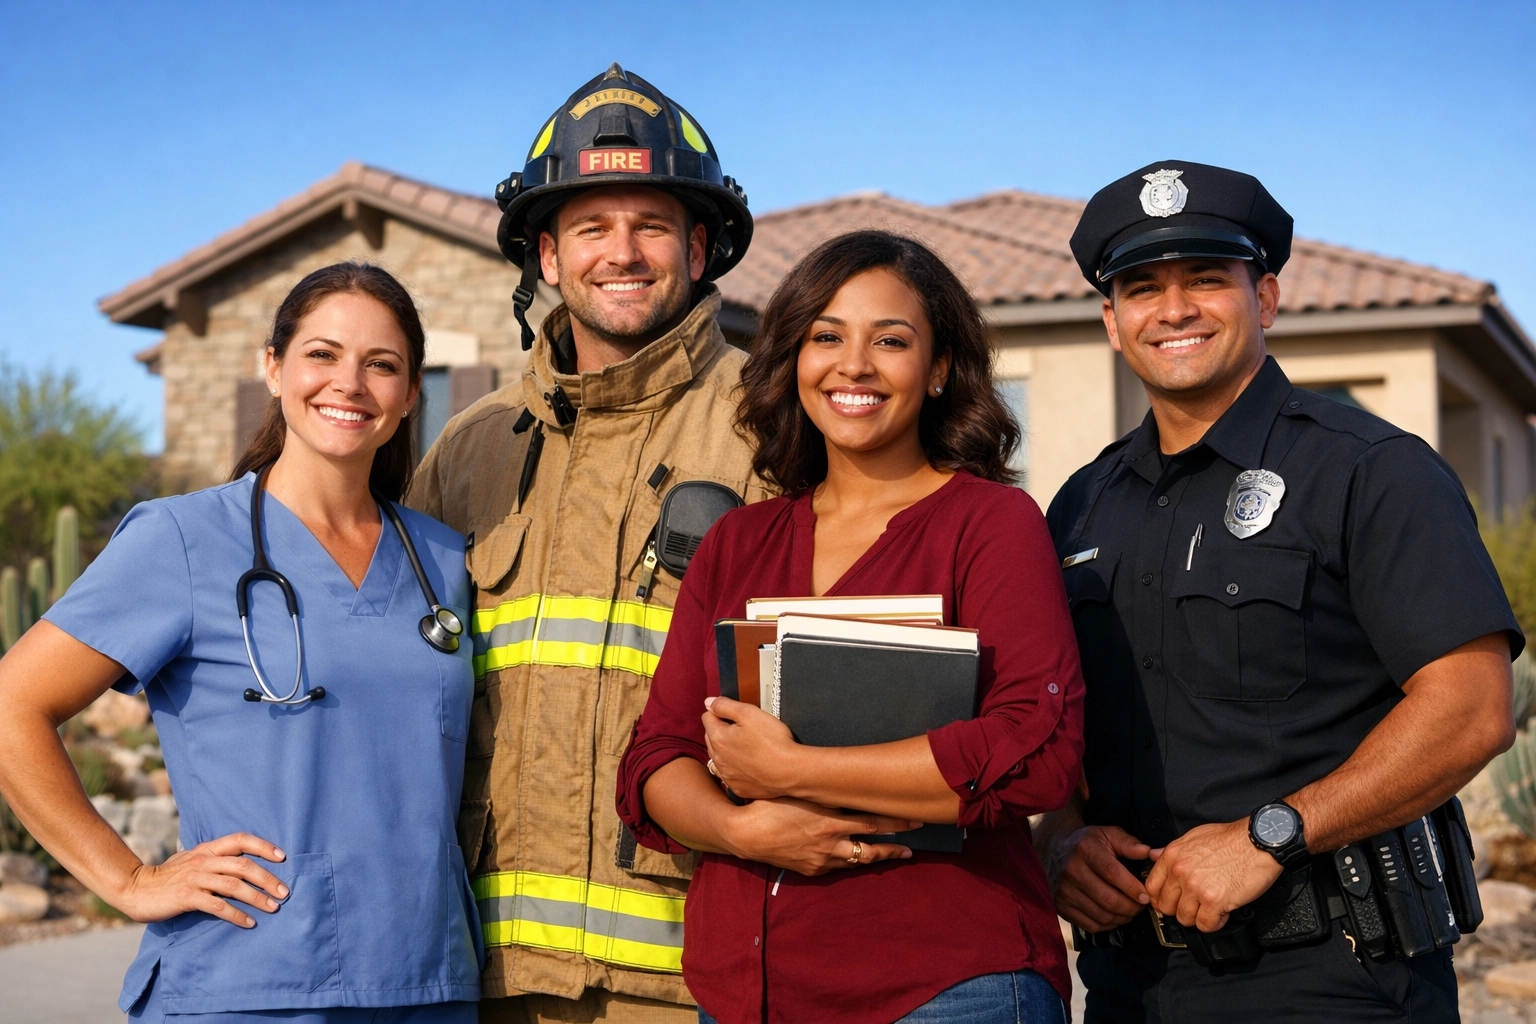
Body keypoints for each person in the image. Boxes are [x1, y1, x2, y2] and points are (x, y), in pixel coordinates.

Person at [1035, 160, 1521, 1022]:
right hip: (1128, 986)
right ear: (1112, 322)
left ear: (1264, 298)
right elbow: (1060, 712)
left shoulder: (1371, 470)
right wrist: (1062, 835)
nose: (1174, 309)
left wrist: (1271, 835)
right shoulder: (1080, 505)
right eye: (1142, 289)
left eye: (1205, 279)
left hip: (1334, 980)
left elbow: (1471, 708)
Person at [616, 230, 1085, 1024]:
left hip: (947, 991)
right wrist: (742, 831)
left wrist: (792, 769)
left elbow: (1036, 751)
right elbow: (658, 756)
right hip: (745, 995)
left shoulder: (992, 524)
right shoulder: (737, 542)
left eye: (890, 341)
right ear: (793, 359)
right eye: (826, 337)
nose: (854, 365)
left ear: (939, 369)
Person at [0, 262, 480, 1023]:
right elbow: (12, 706)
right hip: (247, 980)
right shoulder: (182, 540)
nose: (350, 383)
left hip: (428, 981)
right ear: (274, 367)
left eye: (381, 364)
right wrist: (128, 881)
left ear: (411, 392)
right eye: (322, 354)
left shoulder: (446, 560)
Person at [406, 64, 770, 1024]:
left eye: (651, 225)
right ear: (548, 256)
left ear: (699, 247)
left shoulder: (777, 430)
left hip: (694, 983)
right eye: (591, 227)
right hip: (485, 979)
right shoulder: (470, 449)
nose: (623, 252)